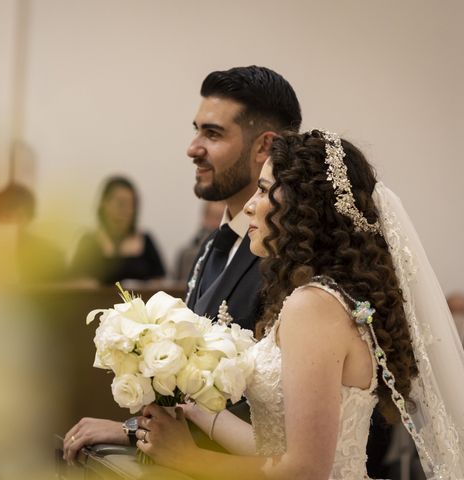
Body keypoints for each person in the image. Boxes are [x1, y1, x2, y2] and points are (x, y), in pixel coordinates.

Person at [133, 130, 464, 479]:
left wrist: (189, 459)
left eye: (263, 189)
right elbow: (279, 449)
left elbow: (304, 470)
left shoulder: (314, 307)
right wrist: (198, 413)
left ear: (302, 204)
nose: (249, 205)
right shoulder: (319, 298)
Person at [62, 65, 302, 461]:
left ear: (264, 147)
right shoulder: (211, 247)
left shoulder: (288, 260)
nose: (193, 147)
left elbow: (279, 414)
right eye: (197, 130)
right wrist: (136, 429)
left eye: (213, 133)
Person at [69, 175, 166, 285]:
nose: (127, 211)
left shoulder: (146, 241)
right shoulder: (88, 242)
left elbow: (160, 282)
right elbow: (75, 282)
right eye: (121, 204)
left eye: (132, 205)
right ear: (104, 204)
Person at [0, 182, 66, 283]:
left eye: (20, 216)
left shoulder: (50, 253)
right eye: (7, 216)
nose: (14, 222)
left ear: (30, 218)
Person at [174, 200, 225, 284]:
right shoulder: (187, 254)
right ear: (205, 218)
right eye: (213, 217)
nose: (216, 223)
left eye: (220, 218)